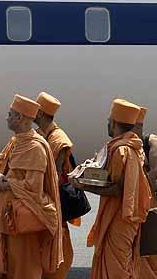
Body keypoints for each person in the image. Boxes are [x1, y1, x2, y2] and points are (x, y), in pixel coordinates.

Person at [0, 94, 63, 279]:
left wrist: (5, 183)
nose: (7, 117)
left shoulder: (35, 147)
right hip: (6, 219)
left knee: (24, 270)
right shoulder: (15, 141)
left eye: (10, 114)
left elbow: (33, 189)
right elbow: (0, 168)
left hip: (23, 220)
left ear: (20, 118)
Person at [73, 99, 152, 278]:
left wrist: (83, 185)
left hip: (119, 220)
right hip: (126, 219)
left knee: (116, 270)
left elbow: (118, 189)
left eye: (109, 120)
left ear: (114, 123)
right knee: (122, 265)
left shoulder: (122, 150)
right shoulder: (133, 148)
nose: (108, 124)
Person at [34, 91, 77, 279]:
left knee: (56, 246)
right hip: (42, 201)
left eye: (35, 110)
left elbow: (56, 176)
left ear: (41, 114)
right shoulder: (42, 135)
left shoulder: (59, 139)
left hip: (53, 202)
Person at [132, 106, 157, 278]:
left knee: (151, 248)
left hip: (151, 203)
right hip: (140, 204)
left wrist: (138, 182)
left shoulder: (151, 142)